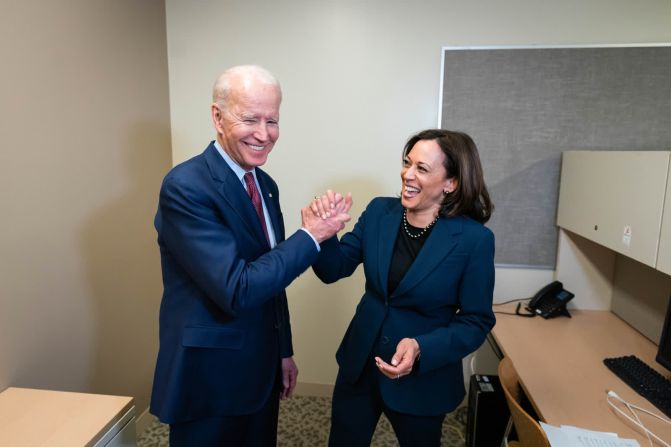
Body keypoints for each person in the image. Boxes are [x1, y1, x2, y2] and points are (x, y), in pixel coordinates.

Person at [149, 65, 351, 446]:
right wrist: (311, 235)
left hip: (259, 369)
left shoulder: (265, 184)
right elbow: (238, 287)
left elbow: (271, 280)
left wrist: (282, 350)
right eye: (250, 119)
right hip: (209, 378)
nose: (264, 134)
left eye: (272, 120)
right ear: (217, 117)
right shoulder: (185, 187)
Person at [311, 129, 495, 446]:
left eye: (421, 168)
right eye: (407, 163)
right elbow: (333, 269)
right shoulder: (380, 212)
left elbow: (476, 321)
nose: (407, 174)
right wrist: (323, 235)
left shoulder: (474, 240)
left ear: (451, 183)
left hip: (422, 379)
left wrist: (423, 347)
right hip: (361, 365)